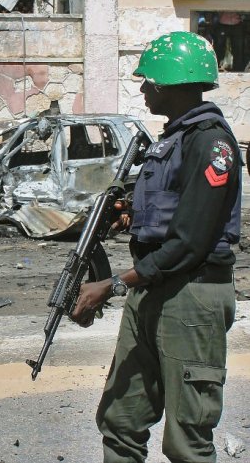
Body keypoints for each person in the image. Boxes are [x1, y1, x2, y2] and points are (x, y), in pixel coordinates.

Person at [72, 31, 241, 462]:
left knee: (187, 439)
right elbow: (168, 211)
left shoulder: (211, 142)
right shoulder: (175, 138)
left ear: (170, 82)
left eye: (149, 81)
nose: (144, 88)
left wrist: (112, 285)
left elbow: (190, 241)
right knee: (121, 419)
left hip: (192, 295)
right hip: (153, 285)